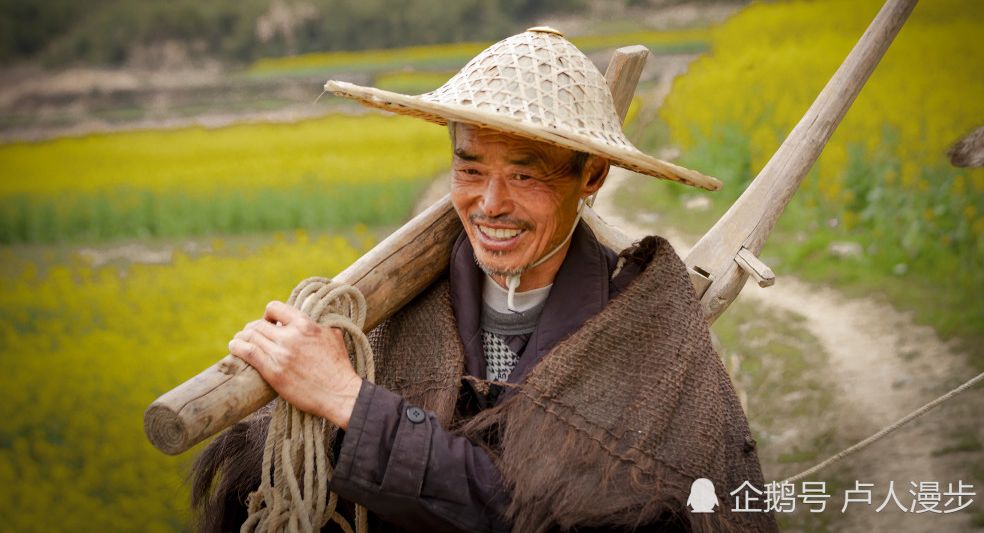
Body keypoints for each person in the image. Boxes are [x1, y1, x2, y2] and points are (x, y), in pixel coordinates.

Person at [192, 27, 778, 532]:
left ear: (591, 175)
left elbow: (530, 514)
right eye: (470, 168)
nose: (490, 204)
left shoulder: (645, 327)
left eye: (525, 176)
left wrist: (347, 399)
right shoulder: (393, 318)